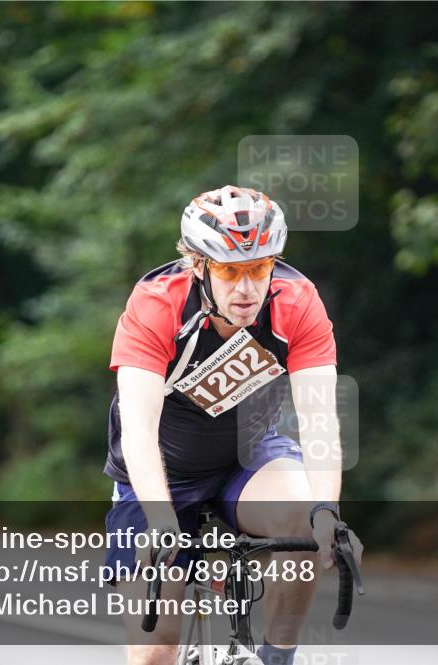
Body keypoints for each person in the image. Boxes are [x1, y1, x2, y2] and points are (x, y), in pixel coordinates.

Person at [104, 185, 361, 665]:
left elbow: (320, 422)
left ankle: (276, 655)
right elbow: (138, 431)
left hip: (247, 457)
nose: (246, 289)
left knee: (304, 518)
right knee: (155, 649)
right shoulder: (157, 304)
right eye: (229, 270)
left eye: (259, 269)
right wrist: (161, 520)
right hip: (162, 473)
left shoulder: (297, 302)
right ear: (198, 266)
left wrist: (328, 512)